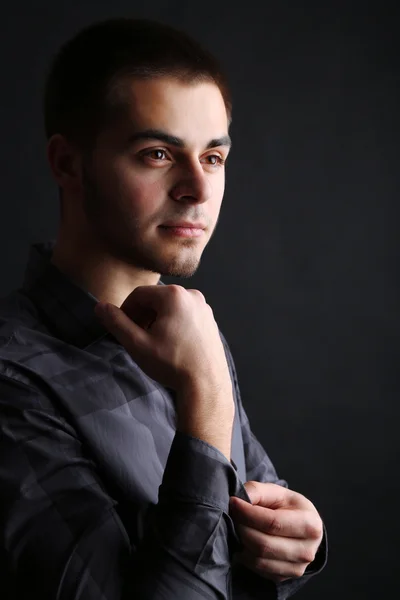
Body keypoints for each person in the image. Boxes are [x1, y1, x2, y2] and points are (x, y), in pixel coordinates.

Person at [0, 18, 327, 599]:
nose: (199, 191)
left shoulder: (190, 332)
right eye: (157, 153)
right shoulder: (12, 382)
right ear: (67, 164)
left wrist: (296, 543)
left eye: (214, 159)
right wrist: (205, 396)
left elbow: (252, 535)